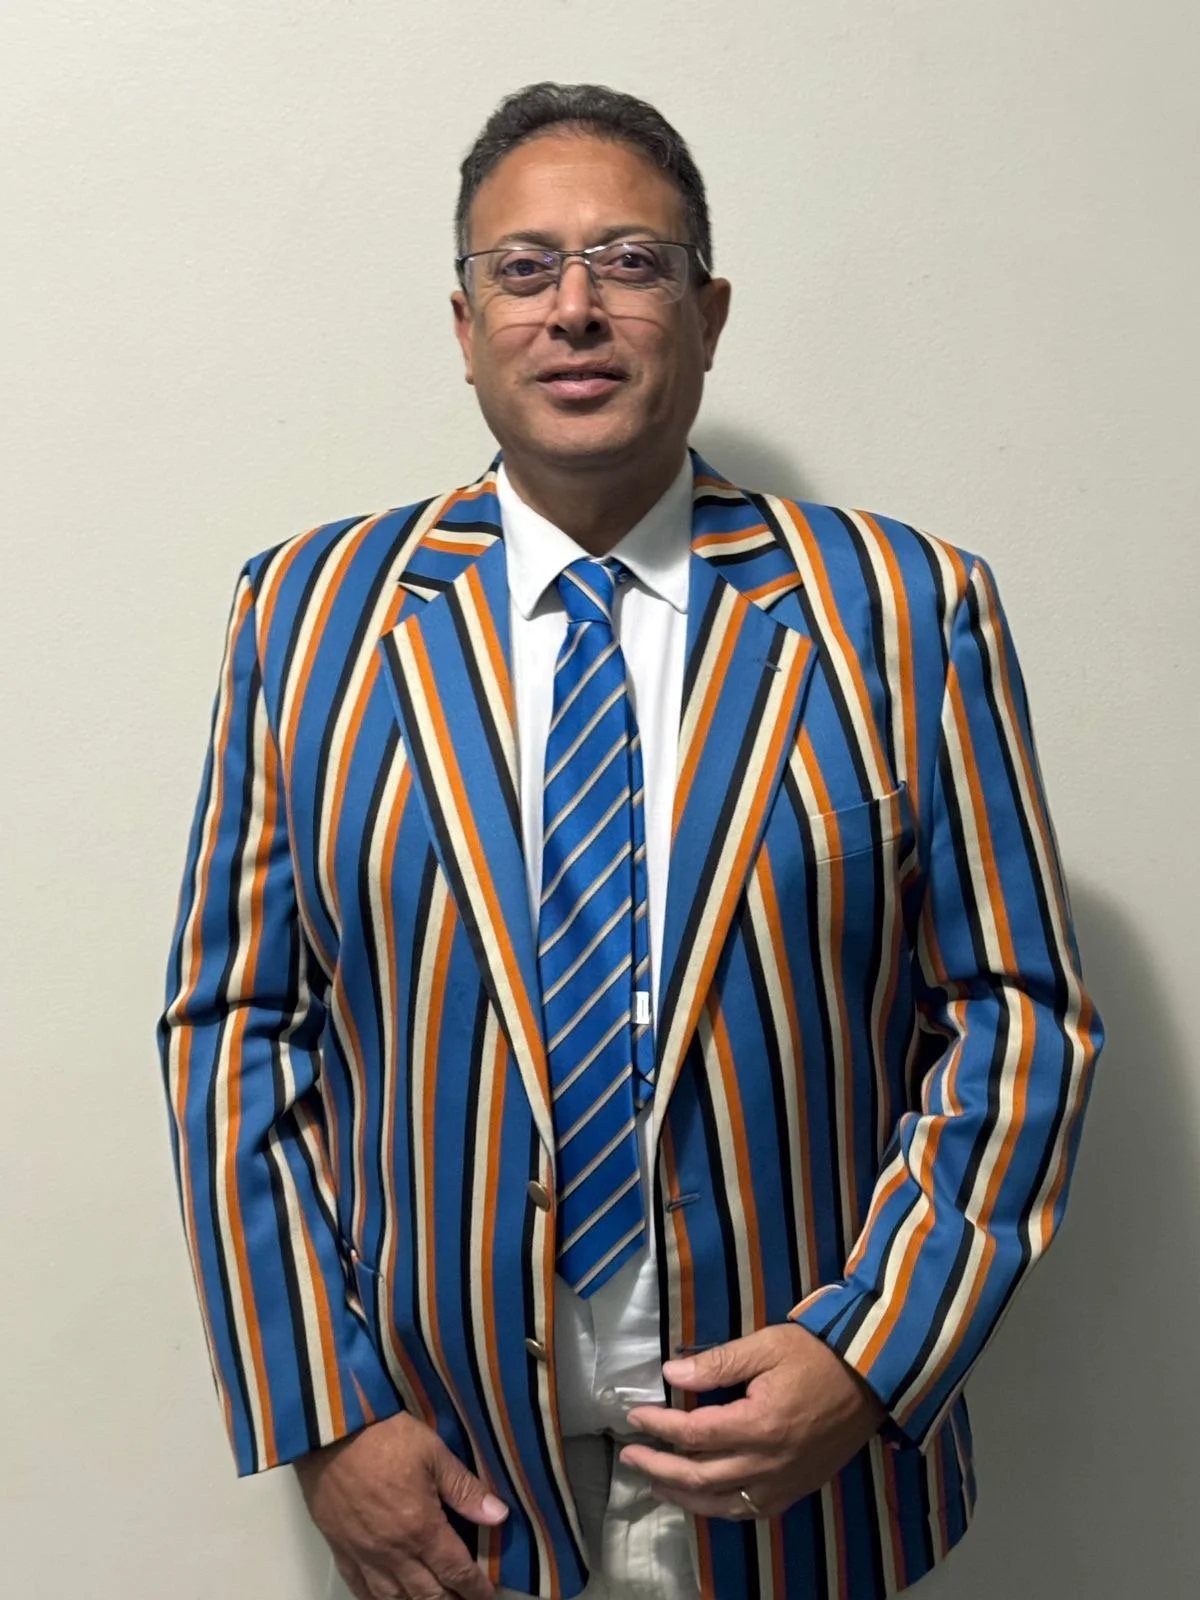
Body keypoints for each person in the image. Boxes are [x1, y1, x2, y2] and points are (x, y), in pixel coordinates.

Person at [157, 81, 1102, 1600]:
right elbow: (233, 1030)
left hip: (805, 1481)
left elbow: (1019, 1015)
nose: (574, 309)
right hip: (449, 1479)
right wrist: (324, 1417)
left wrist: (870, 1356)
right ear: (464, 326)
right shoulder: (310, 616)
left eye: (631, 264)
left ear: (709, 313)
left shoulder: (905, 611)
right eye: (522, 270)